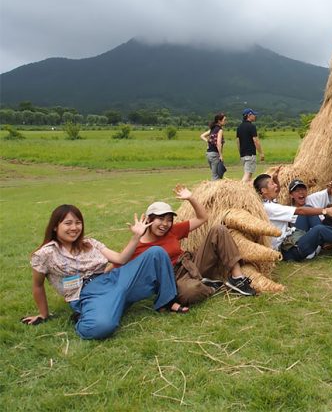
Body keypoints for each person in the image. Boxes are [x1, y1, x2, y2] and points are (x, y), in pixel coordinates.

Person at [22, 204, 180, 339]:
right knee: (101, 327)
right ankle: (86, 315)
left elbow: (120, 259)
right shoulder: (45, 254)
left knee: (156, 252)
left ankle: (165, 302)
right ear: (55, 226)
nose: (74, 228)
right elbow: (38, 285)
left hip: (110, 279)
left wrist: (136, 237)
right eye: (68, 223)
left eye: (78, 223)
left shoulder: (90, 243)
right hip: (86, 294)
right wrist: (43, 314)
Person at [123, 184, 257, 302]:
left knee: (219, 230)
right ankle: (209, 286)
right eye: (160, 218)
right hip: (174, 279)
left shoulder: (172, 230)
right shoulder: (138, 246)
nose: (165, 224)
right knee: (189, 293)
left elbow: (202, 218)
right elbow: (120, 263)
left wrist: (191, 198)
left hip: (192, 263)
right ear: (148, 219)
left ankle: (237, 278)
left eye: (169, 220)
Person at [253, 173, 332, 261]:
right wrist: (325, 211)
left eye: (303, 189)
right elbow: (300, 211)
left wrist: (275, 180)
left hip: (295, 237)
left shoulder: (268, 203)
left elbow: (277, 194)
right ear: (264, 191)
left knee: (314, 214)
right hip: (290, 250)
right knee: (319, 228)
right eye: (272, 184)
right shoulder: (268, 208)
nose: (275, 186)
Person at [236, 108, 265, 183]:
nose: (255, 116)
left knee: (248, 175)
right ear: (249, 115)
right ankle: (240, 188)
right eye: (253, 115)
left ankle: (245, 189)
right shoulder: (252, 127)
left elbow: (238, 142)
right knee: (248, 174)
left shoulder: (239, 127)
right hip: (250, 154)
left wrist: (240, 152)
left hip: (243, 154)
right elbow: (256, 141)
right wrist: (261, 153)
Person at [201, 113, 227, 180]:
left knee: (214, 174)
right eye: (224, 120)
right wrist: (221, 155)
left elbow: (202, 136)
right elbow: (218, 143)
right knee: (216, 177)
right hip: (215, 154)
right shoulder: (220, 130)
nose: (226, 121)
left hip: (209, 154)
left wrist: (208, 141)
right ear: (219, 121)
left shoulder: (212, 129)